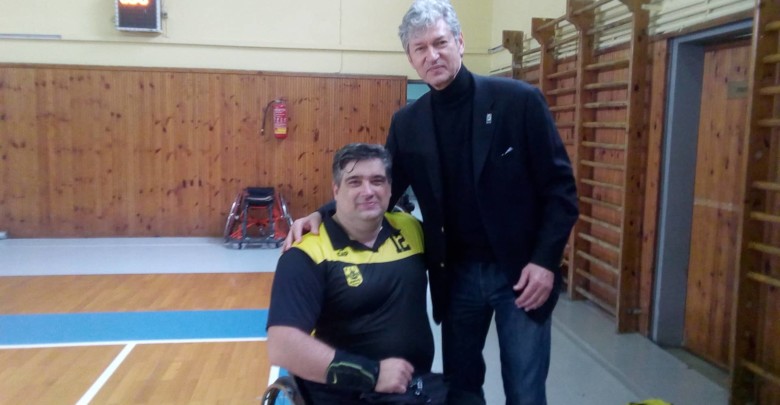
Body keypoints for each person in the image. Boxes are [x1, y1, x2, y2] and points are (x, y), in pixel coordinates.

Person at [284, 1, 578, 403]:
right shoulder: (408, 123)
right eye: (420, 48)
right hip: (455, 276)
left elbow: (561, 191)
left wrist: (545, 262)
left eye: (440, 43)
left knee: (525, 391)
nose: (432, 55)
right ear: (411, 58)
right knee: (461, 388)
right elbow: (380, 189)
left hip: (522, 273)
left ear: (460, 42)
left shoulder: (518, 102)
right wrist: (321, 214)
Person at [267, 143, 437, 404]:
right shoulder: (306, 252)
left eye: (377, 181)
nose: (368, 191)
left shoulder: (411, 229)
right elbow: (283, 346)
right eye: (354, 182)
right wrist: (372, 374)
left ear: (390, 189)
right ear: (336, 190)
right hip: (345, 393)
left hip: (415, 387)